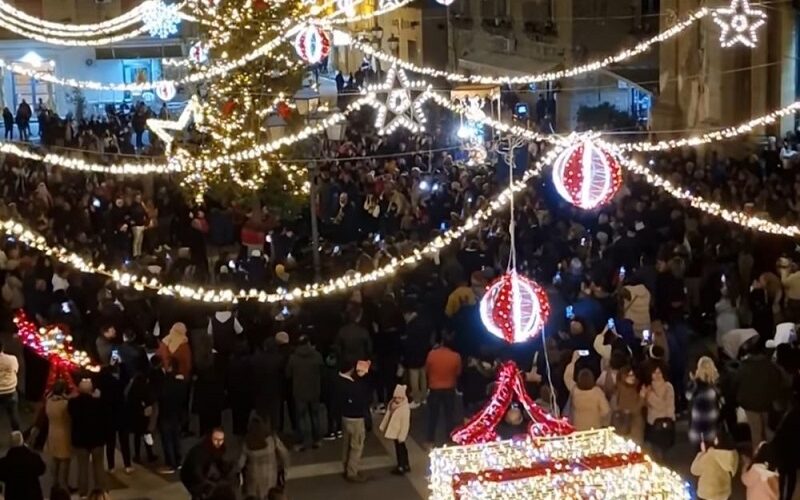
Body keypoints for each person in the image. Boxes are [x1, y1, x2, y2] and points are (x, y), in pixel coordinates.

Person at [735, 343, 788, 452]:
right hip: (766, 403)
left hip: (749, 403)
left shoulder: (744, 366)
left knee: (756, 432)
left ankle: (758, 456)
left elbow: (736, 382)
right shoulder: (771, 366)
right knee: (766, 428)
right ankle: (770, 452)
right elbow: (781, 381)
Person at [69, 378, 108, 497]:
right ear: (91, 390)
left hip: (80, 440)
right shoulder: (98, 403)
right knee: (99, 467)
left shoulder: (73, 403)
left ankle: (83, 493)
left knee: (82, 468)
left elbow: (70, 413)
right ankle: (101, 492)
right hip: (97, 438)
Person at [285, 334, 323, 451]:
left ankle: (302, 441)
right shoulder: (317, 356)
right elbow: (322, 371)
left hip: (299, 391)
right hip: (314, 389)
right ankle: (316, 440)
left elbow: (288, 374)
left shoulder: (293, 358)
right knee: (315, 416)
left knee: (301, 417)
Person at [239, 416, 289, 499]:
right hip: (271, 475)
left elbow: (240, 463)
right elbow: (284, 454)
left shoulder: (247, 444)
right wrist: (285, 468)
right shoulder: (272, 440)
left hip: (253, 477)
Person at [425, 336, 461, 446]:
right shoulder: (456, 356)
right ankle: (449, 438)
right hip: (449, 388)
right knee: (449, 415)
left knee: (432, 415)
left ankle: (430, 439)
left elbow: (427, 370)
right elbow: (458, 372)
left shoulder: (432, 354)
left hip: (434, 388)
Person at [181, 428, 236, 500]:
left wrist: (227, 467)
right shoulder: (202, 452)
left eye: (221, 440)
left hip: (201, 472)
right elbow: (197, 472)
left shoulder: (216, 448)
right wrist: (209, 484)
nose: (219, 442)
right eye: (216, 439)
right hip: (190, 477)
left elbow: (218, 462)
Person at [337, 358, 369, 482]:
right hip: (356, 418)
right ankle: (352, 472)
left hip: (345, 417)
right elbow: (362, 398)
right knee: (357, 445)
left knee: (346, 444)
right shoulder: (353, 385)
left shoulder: (338, 381)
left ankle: (345, 466)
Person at [564, 353, 610, 431]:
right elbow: (605, 411)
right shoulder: (597, 392)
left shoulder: (574, 390)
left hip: (577, 427)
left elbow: (567, 377)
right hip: (594, 428)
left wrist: (573, 362)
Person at [157, 358, 188, 474]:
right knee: (176, 438)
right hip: (177, 414)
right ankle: (178, 461)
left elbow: (160, 398)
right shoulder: (181, 383)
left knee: (167, 440)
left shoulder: (164, 382)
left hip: (166, 414)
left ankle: (171, 464)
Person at [687, 356, 722, 449]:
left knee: (699, 457)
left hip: (698, 426)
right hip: (712, 426)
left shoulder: (695, 385)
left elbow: (688, 396)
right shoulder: (715, 386)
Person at [690, 434, 739, 500]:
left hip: (706, 494)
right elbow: (733, 469)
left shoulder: (707, 457)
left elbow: (694, 470)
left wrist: (701, 453)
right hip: (723, 493)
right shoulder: (730, 455)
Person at [0, 431, 46, 500]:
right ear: (22, 442)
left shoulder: (4, 462)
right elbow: (42, 469)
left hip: (13, 496)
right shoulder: (33, 458)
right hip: (33, 496)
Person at [643, 363, 676, 456]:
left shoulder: (668, 387)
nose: (657, 375)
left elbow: (664, 405)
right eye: (654, 373)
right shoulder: (648, 387)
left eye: (659, 372)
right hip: (652, 425)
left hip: (666, 423)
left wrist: (649, 395)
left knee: (662, 452)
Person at [45, 380, 72, 489]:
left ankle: (55, 482)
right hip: (64, 433)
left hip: (52, 432)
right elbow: (69, 418)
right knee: (65, 460)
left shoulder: (49, 402)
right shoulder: (65, 404)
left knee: (55, 459)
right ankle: (64, 484)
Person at [379, 384, 411, 474]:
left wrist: (402, 436)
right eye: (396, 397)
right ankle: (404, 464)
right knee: (400, 448)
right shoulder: (392, 404)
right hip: (395, 431)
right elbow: (387, 416)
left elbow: (405, 424)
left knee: (401, 449)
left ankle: (402, 465)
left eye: (399, 398)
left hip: (399, 433)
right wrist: (383, 426)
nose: (397, 400)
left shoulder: (404, 409)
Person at [610, 365, 645, 444]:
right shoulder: (624, 391)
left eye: (633, 375)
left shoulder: (632, 388)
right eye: (629, 375)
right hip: (631, 428)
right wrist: (642, 398)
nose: (632, 377)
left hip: (632, 427)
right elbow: (633, 410)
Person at [0, 338, 20, 431]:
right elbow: (15, 371)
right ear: (2, 347)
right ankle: (17, 435)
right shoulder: (12, 359)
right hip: (10, 390)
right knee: (13, 415)